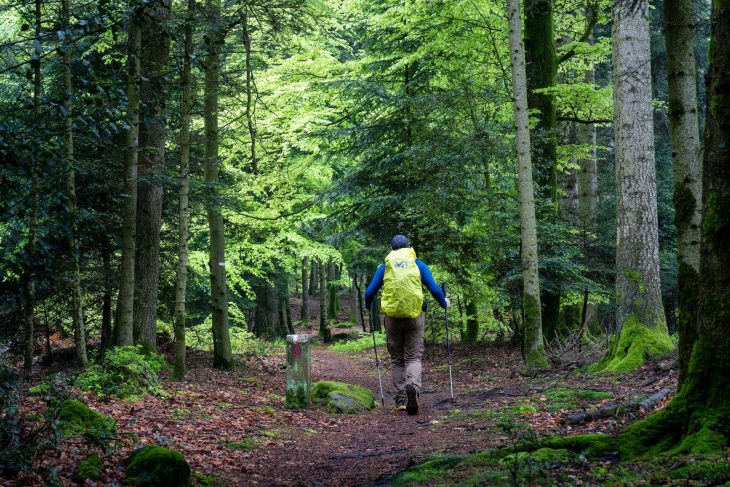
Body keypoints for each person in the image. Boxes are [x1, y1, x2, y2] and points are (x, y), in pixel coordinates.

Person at [365, 235, 450, 415]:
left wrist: (368, 304)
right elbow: (434, 289)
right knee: (413, 357)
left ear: (392, 249)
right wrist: (444, 303)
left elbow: (370, 292)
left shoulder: (385, 266)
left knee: (397, 359)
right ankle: (413, 387)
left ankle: (402, 399)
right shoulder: (417, 264)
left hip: (392, 319)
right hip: (414, 317)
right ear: (408, 247)